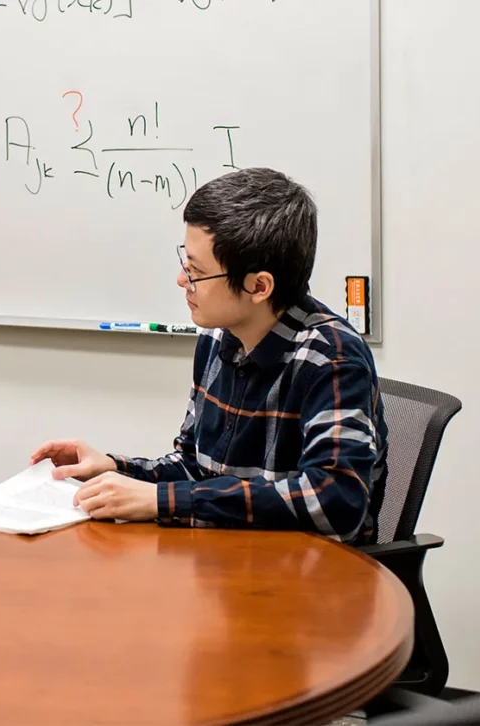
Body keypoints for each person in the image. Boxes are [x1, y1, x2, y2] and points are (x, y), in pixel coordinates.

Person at [31, 167, 384, 541]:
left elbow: (335, 501)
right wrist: (113, 468)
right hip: (228, 563)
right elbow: (195, 467)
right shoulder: (218, 338)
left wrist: (163, 501)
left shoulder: (332, 359)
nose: (182, 280)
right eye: (185, 262)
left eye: (196, 271)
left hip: (312, 579)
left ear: (258, 286)